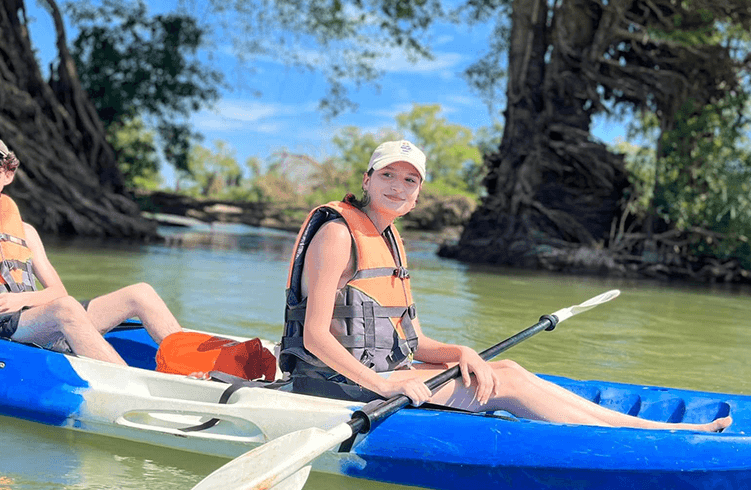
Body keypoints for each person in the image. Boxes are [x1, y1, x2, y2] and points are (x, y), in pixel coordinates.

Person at [279, 139, 731, 432]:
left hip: (376, 375)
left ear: (418, 194)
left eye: (409, 179)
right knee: (507, 388)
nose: (398, 186)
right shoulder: (338, 233)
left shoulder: (390, 238)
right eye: (388, 175)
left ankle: (637, 428)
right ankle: (663, 434)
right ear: (367, 179)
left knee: (507, 369)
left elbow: (403, 340)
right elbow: (317, 336)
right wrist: (383, 386)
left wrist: (459, 353)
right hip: (338, 383)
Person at [0, 134, 181, 365]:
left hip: (32, 317)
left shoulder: (26, 232)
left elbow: (58, 291)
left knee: (140, 293)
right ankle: (131, 387)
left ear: (7, 174)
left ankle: (194, 366)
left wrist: (23, 300)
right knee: (66, 309)